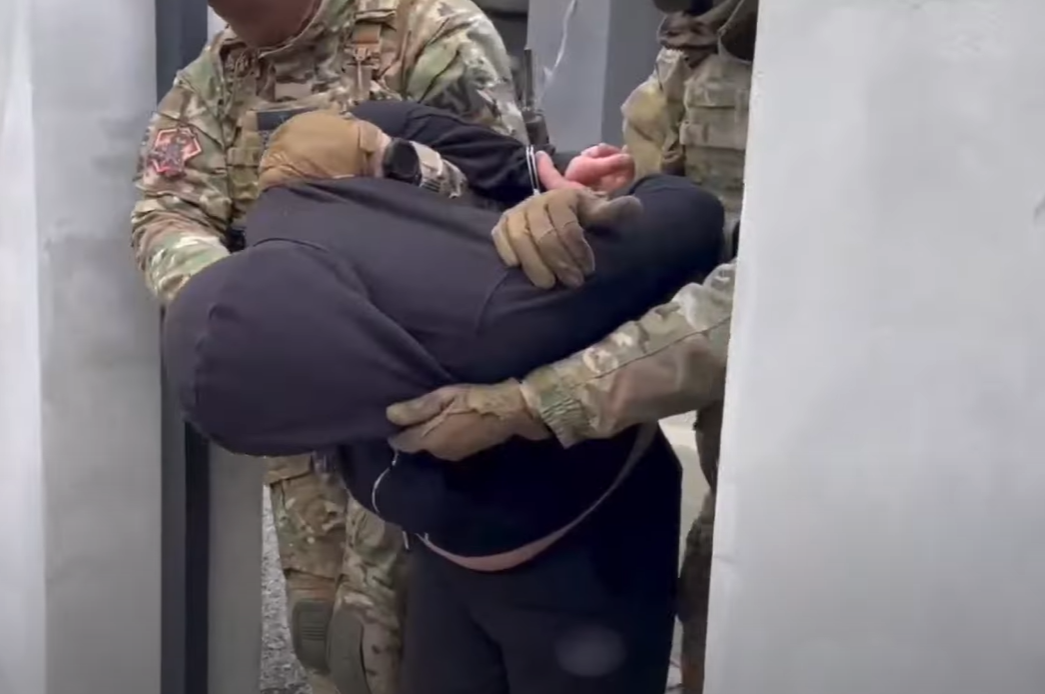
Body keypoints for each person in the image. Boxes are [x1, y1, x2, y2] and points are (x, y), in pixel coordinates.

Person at [161, 103, 728, 693]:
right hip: (518, 550)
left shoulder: (274, 241)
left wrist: (542, 175)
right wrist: (565, 185)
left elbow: (374, 122)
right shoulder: (490, 293)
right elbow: (689, 215)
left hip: (544, 545)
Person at [129, 1, 549, 691]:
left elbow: (505, 203)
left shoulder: (430, 34)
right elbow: (167, 209)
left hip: (428, 416)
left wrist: (389, 164)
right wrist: (242, 307)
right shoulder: (212, 80)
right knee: (330, 639)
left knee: (422, 642)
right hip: (303, 404)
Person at [382, 2, 757, 691]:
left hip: (844, 453)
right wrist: (591, 206)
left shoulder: (836, 43)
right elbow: (671, 209)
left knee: (756, 626)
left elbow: (767, 302)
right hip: (710, 437)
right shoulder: (696, 34)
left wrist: (535, 403)